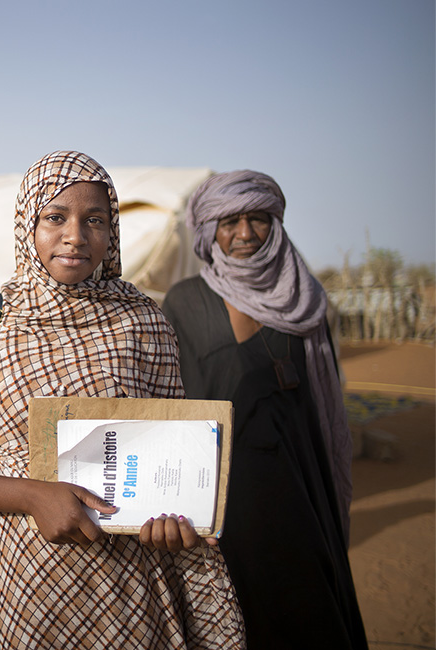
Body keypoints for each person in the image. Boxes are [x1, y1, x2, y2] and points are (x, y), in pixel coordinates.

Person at [0, 151, 245, 649]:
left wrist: (171, 518)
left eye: (95, 219)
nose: (76, 235)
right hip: (24, 587)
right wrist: (32, 495)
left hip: (128, 585)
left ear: (112, 230)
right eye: (56, 217)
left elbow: (170, 451)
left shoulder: (144, 321)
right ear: (28, 223)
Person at [161, 170, 368, 650]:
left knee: (309, 614)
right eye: (230, 221)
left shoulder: (304, 299)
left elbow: (324, 408)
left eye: (258, 219)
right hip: (221, 504)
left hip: (299, 493)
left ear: (275, 226)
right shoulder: (185, 303)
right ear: (209, 230)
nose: (246, 234)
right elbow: (171, 408)